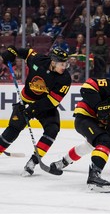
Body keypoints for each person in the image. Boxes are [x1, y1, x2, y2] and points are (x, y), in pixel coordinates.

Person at [49, 67, 110, 193]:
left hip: (102, 123)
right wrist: (99, 107)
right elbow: (87, 86)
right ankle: (94, 177)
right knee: (104, 140)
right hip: (85, 118)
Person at [0, 46, 71, 176]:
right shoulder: (38, 60)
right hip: (26, 101)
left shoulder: (64, 79)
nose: (64, 67)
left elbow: (52, 101)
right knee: (13, 130)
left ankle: (33, 162)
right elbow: (22, 51)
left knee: (53, 129)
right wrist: (8, 54)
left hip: (45, 106)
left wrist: (32, 110)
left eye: (66, 64)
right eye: (62, 64)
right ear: (53, 62)